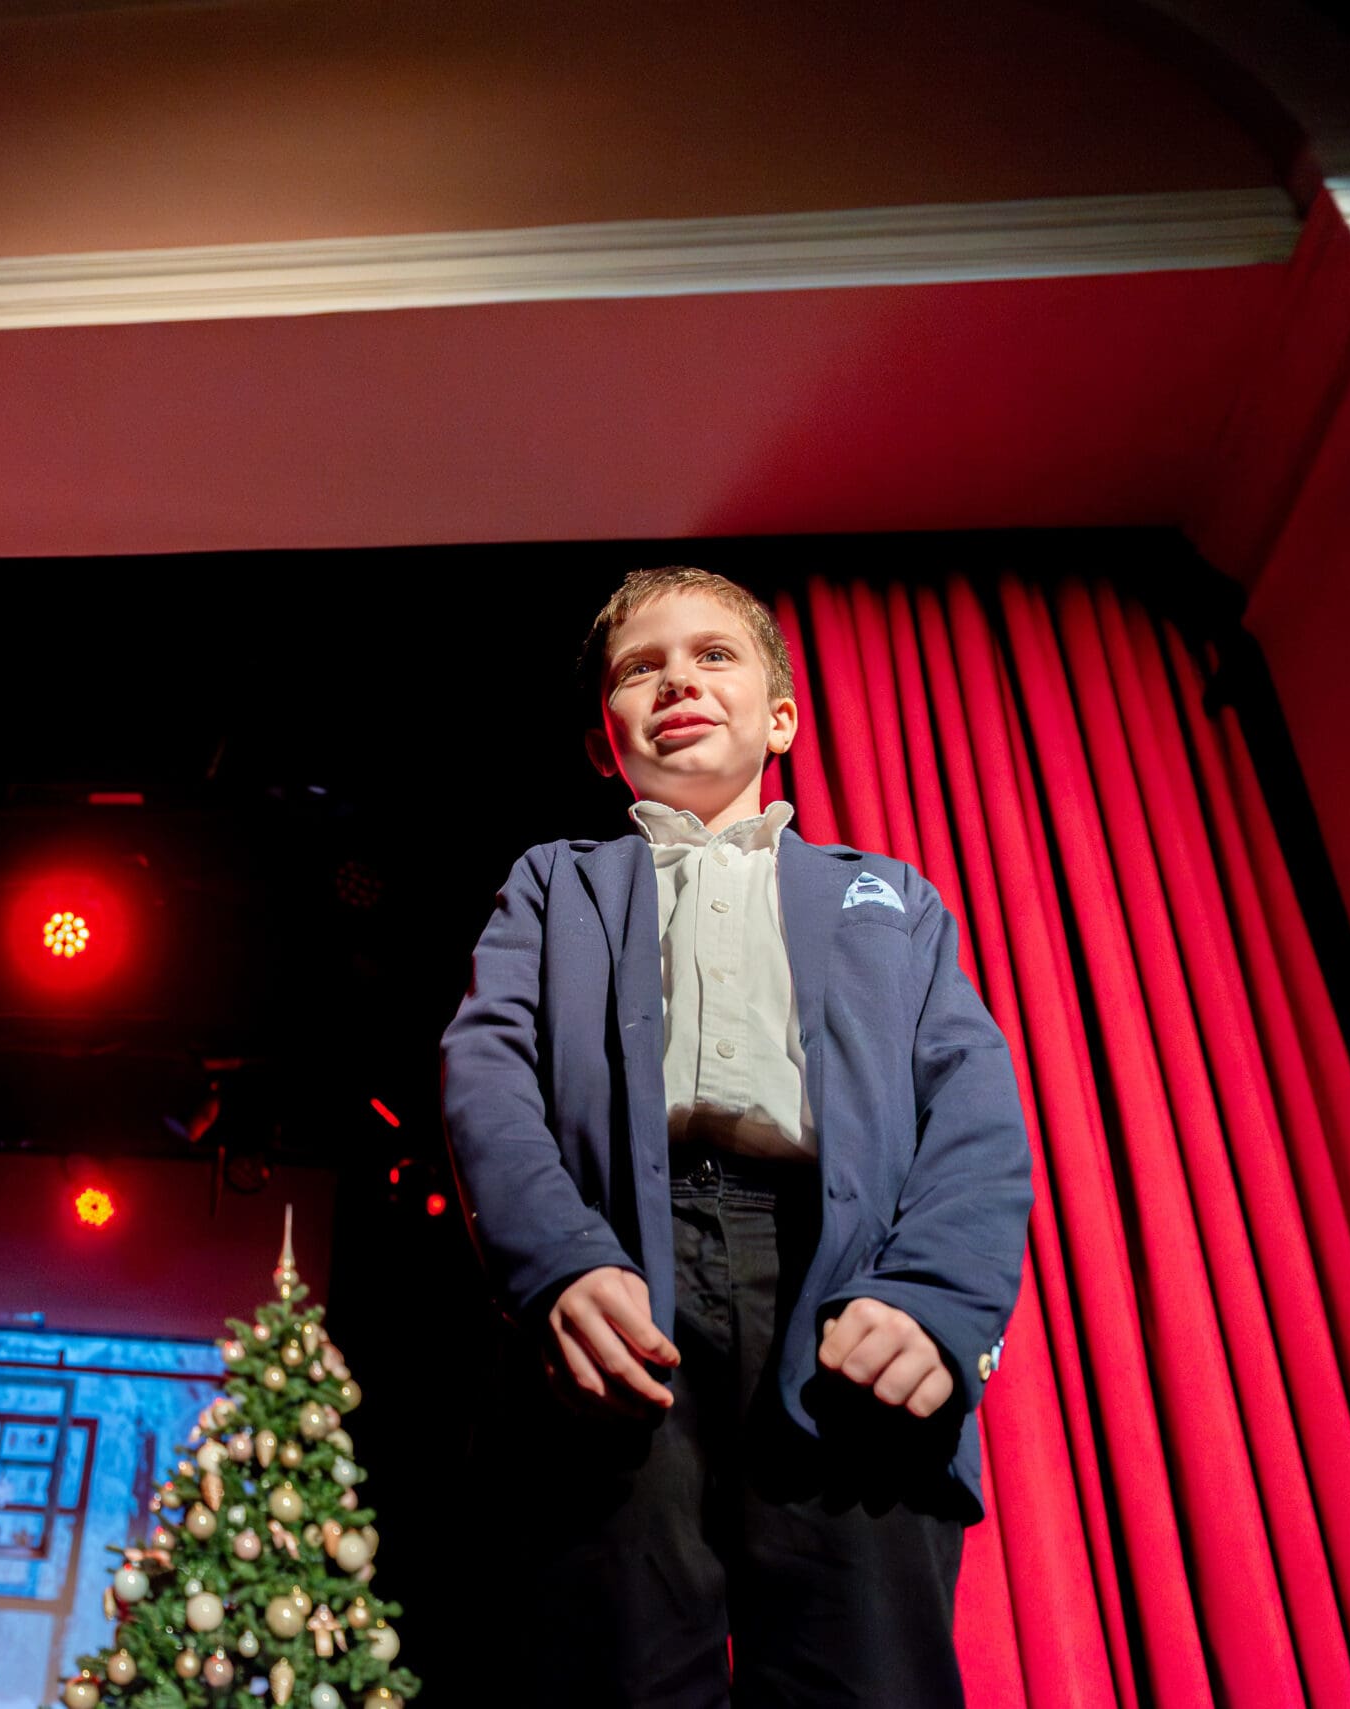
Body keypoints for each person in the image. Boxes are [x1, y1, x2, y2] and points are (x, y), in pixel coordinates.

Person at [441, 566, 1032, 1706]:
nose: (677, 681)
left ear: (782, 717)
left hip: (841, 1287)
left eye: (714, 655)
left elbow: (973, 1108)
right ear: (602, 743)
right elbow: (487, 1073)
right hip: (623, 1279)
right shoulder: (555, 882)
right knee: (612, 1668)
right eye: (640, 668)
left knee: (865, 1675)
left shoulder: (892, 899)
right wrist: (559, 1259)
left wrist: (932, 1296)